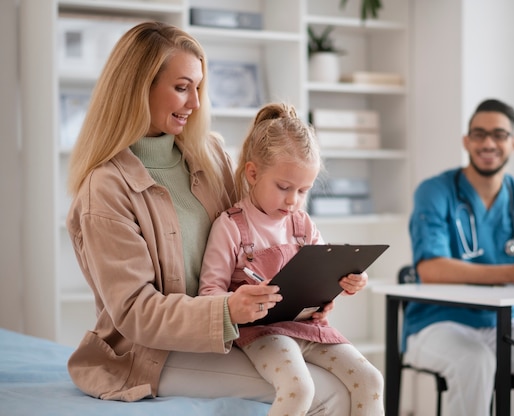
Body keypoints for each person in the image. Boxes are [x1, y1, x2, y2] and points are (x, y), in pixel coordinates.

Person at [64, 21, 364, 414]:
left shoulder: (210, 156)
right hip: (150, 353)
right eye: (181, 87)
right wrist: (227, 310)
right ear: (139, 87)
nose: (195, 103)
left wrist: (309, 298)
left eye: (199, 88)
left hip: (235, 332)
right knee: (328, 391)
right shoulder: (105, 189)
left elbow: (258, 238)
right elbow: (135, 311)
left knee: (354, 380)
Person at [403, 98, 514, 416]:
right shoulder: (435, 191)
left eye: (499, 135)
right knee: (475, 359)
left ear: (513, 143)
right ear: (466, 141)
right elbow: (431, 269)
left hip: (501, 323)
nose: (488, 143)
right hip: (436, 324)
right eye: (479, 134)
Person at [198, 102, 385, 416]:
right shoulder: (230, 226)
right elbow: (208, 294)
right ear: (253, 173)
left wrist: (350, 281)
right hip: (264, 332)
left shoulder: (303, 224)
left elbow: (327, 272)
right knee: (300, 389)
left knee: (371, 379)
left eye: (303, 191)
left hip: (311, 327)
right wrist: (236, 302)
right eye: (284, 187)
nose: (293, 200)